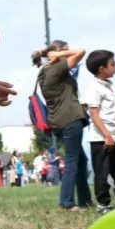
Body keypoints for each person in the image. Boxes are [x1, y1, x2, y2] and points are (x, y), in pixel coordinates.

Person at [34, 40, 90, 211]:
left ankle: (85, 201)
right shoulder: (57, 68)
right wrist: (58, 55)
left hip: (57, 122)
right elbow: (81, 50)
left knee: (81, 159)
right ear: (57, 53)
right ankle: (65, 203)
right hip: (70, 119)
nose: (68, 52)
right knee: (73, 162)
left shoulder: (43, 72)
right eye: (65, 50)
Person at [83, 49, 115, 214]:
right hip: (102, 139)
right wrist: (106, 135)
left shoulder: (109, 87)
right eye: (112, 64)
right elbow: (94, 115)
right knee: (102, 174)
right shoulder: (95, 89)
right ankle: (103, 205)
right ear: (101, 69)